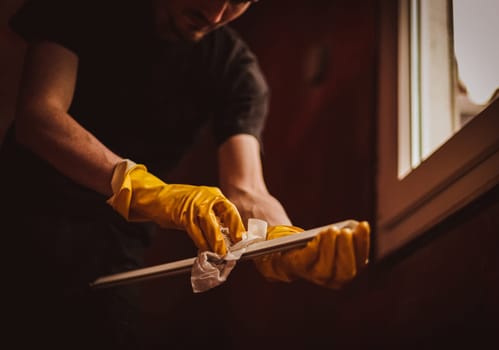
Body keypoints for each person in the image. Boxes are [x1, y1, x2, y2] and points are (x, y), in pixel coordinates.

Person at [1, 0, 370, 348]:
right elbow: (38, 117)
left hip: (112, 250)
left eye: (239, 1)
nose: (216, 13)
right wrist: (148, 191)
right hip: (17, 213)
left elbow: (247, 190)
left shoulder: (235, 70)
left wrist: (284, 243)